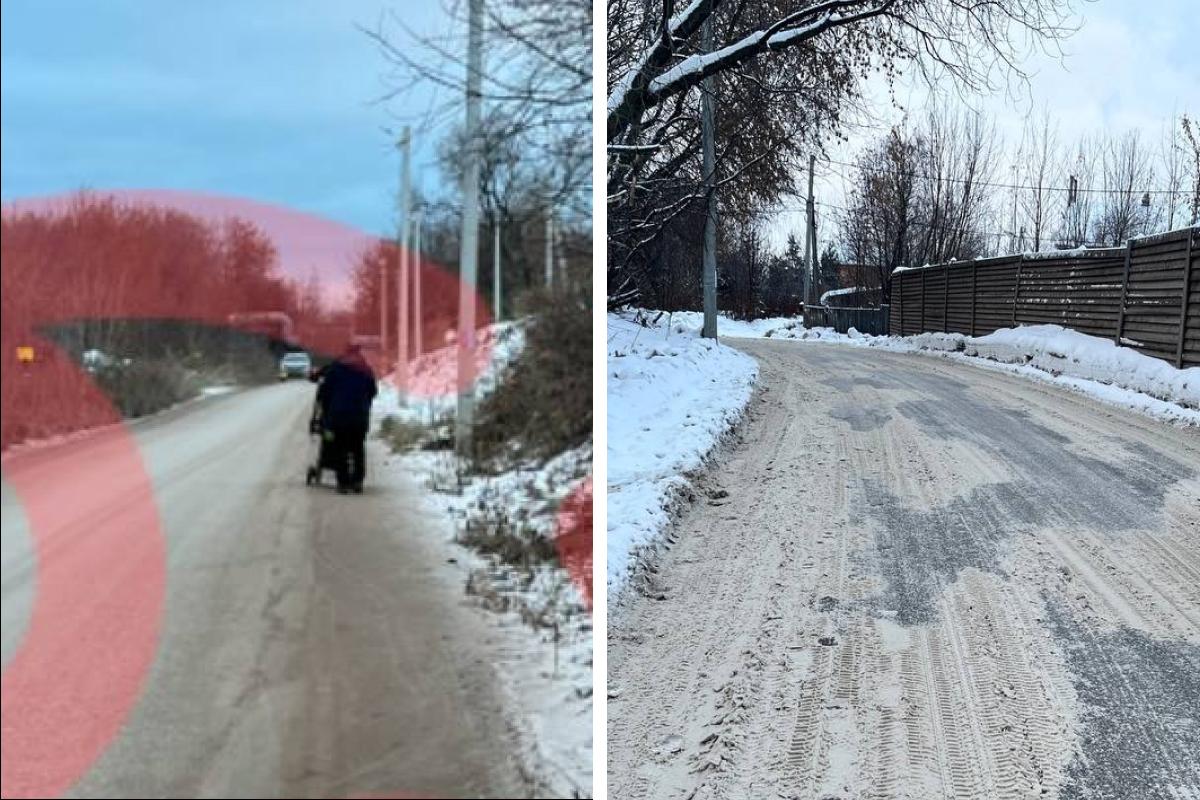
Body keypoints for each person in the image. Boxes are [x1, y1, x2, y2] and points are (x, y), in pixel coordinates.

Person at [315, 343, 377, 494]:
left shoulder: (336, 369)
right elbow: (373, 391)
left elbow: (325, 393)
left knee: (340, 448)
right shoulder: (366, 369)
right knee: (357, 448)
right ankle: (357, 481)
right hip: (359, 417)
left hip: (338, 416)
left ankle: (343, 482)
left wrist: (327, 409)